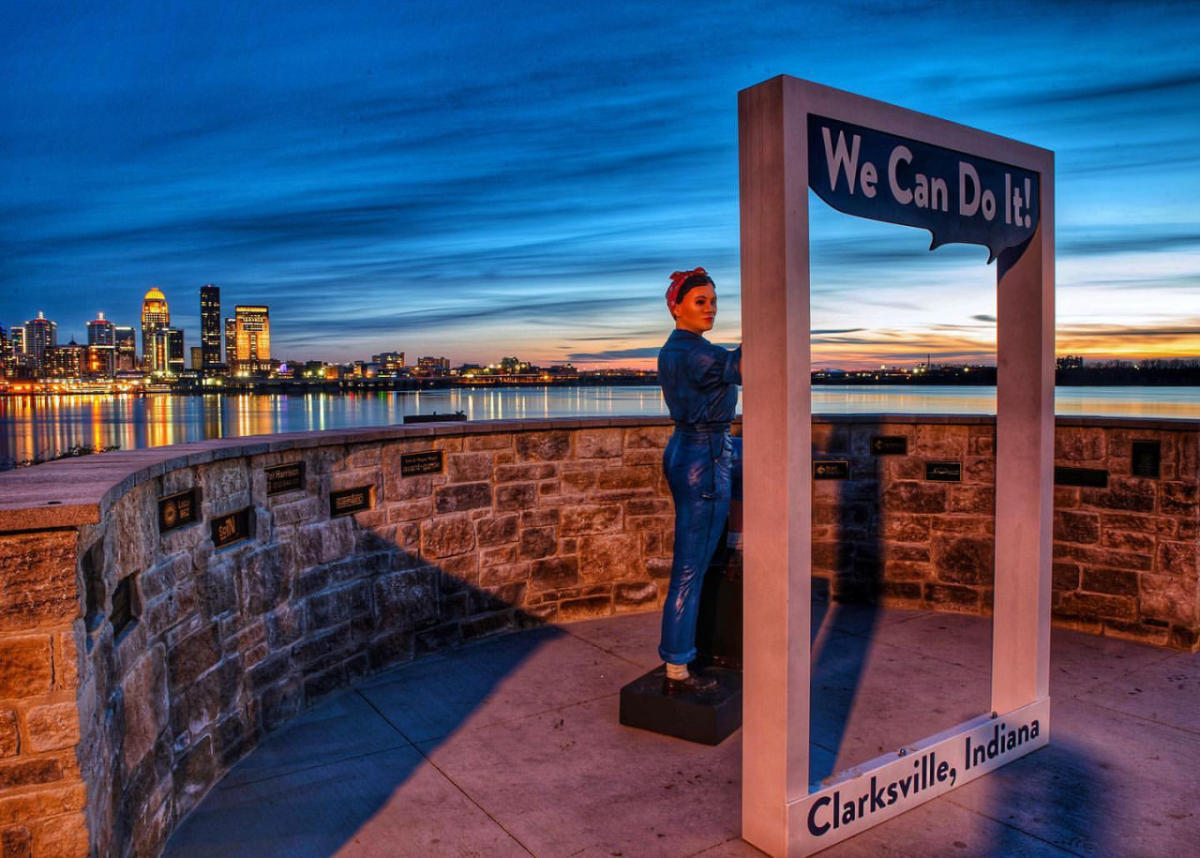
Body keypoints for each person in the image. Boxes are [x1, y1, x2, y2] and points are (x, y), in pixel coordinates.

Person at [657, 267, 742, 693]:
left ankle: (735, 540)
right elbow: (749, 362)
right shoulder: (700, 355)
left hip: (687, 447)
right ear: (676, 307)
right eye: (700, 302)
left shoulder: (672, 350)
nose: (711, 309)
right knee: (689, 569)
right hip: (704, 457)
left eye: (713, 302)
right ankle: (677, 667)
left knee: (756, 458)